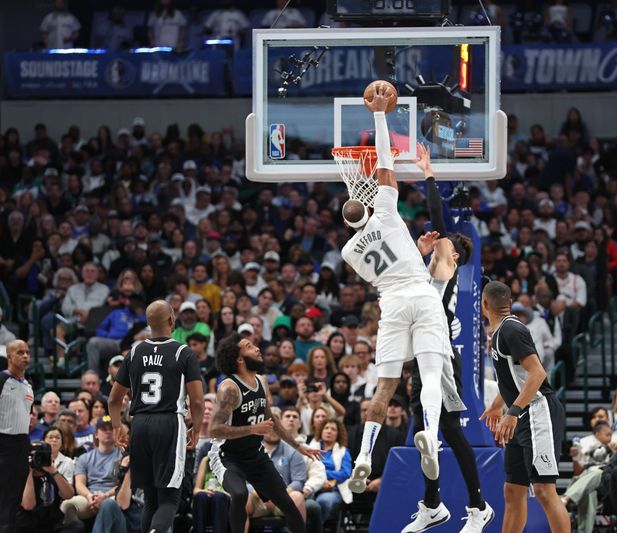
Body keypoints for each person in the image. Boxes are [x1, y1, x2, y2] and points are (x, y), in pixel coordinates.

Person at [342, 85, 460, 494]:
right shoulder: (387, 209)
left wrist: (413, 249)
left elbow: (384, 259)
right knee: (428, 373)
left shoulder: (347, 251)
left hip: (390, 302)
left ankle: (362, 456)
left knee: (385, 386)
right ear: (369, 203)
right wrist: (379, 114)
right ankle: (429, 431)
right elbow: (386, 162)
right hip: (421, 294)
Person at [402, 143, 493, 533]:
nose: (437, 241)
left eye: (444, 244)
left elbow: (438, 220)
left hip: (438, 356)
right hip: (423, 353)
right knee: (434, 431)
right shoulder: (428, 268)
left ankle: (473, 506)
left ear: (454, 255)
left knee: (445, 430)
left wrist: (428, 175)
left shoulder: (447, 268)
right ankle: (439, 504)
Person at [207, 333, 322, 533]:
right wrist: (252, 429)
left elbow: (272, 420)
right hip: (227, 456)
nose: (257, 348)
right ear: (240, 359)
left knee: (289, 505)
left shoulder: (261, 381)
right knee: (240, 494)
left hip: (255, 455)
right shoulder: (229, 388)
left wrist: (298, 445)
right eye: (250, 346)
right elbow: (214, 429)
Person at [479, 281, 570, 533]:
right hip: (521, 415)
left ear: (484, 305)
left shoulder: (511, 330)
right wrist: (498, 405)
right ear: (508, 302)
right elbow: (515, 378)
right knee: (512, 489)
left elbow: (537, 373)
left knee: (543, 490)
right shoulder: (498, 333)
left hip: (538, 412)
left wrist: (513, 410)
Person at [108, 300, 205, 533]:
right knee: (171, 498)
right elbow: (198, 400)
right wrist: (198, 429)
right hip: (169, 423)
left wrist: (116, 425)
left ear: (149, 324)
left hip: (139, 424)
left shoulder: (134, 352)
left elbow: (113, 399)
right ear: (172, 320)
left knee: (150, 498)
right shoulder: (183, 352)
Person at [0, 340, 34, 533]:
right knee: (3, 499)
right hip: (3, 443)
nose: (25, 356)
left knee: (15, 499)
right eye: (20, 352)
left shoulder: (28, 385)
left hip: (22, 444)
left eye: (27, 352)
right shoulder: (1, 380)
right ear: (9, 357)